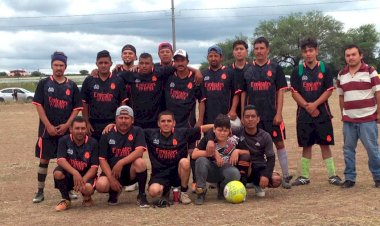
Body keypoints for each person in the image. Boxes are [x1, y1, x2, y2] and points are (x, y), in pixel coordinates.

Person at [240, 37, 292, 189]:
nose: (259, 51)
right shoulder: (248, 70)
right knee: (253, 147)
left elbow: (280, 91)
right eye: (256, 49)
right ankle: (254, 177)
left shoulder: (276, 68)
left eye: (262, 48)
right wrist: (244, 114)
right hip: (253, 118)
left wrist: (279, 113)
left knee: (279, 143)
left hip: (271, 115)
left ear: (268, 50)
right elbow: (243, 92)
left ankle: (286, 176)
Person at [290, 37, 342, 186]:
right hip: (304, 114)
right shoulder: (297, 71)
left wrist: (315, 105)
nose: (308, 54)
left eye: (311, 50)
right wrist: (307, 106)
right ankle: (304, 176)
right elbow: (294, 92)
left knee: (324, 144)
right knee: (307, 145)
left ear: (316, 51)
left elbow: (329, 90)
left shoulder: (324, 68)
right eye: (305, 51)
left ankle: (332, 175)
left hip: (322, 113)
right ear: (302, 53)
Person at [32, 51, 82, 203]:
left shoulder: (72, 85)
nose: (58, 68)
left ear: (65, 67)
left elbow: (76, 108)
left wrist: (68, 125)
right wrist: (48, 125)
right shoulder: (44, 83)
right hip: (47, 130)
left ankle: (69, 189)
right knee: (44, 160)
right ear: (52, 66)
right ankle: (40, 191)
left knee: (68, 160)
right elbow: (39, 105)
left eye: (61, 65)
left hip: (66, 130)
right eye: (56, 65)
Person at [204, 106, 282, 198]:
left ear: (258, 119)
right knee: (244, 157)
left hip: (257, 167)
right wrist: (210, 140)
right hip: (240, 166)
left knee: (276, 180)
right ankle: (241, 187)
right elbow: (213, 128)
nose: (250, 119)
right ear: (242, 119)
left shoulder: (265, 136)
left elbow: (271, 158)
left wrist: (266, 175)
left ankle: (257, 184)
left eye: (253, 116)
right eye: (247, 117)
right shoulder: (237, 131)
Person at [144, 111, 213, 205]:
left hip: (178, 173)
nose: (166, 123)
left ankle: (183, 192)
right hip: (159, 175)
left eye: (169, 121)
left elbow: (202, 128)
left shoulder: (182, 133)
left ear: (174, 123)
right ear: (158, 123)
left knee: (185, 162)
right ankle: (165, 190)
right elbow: (132, 131)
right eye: (163, 121)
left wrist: (222, 126)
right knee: (153, 192)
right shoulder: (150, 134)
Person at [337, 44, 380, 188]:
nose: (351, 57)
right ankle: (350, 178)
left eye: (353, 54)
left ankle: (378, 177)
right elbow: (341, 96)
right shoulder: (341, 74)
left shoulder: (370, 71)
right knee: (348, 150)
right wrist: (343, 112)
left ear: (361, 55)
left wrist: (379, 112)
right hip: (349, 120)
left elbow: (378, 93)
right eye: (348, 55)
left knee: (372, 149)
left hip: (368, 118)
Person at [96, 105, 149, 207]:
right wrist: (111, 179)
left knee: (140, 162)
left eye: (127, 118)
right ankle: (114, 191)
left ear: (132, 120)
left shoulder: (137, 131)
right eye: (120, 118)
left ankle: (141, 195)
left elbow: (139, 152)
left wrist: (121, 162)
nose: (123, 121)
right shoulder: (106, 133)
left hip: (130, 172)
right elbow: (102, 159)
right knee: (101, 185)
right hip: (113, 172)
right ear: (116, 119)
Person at [192, 114, 243, 205]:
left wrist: (238, 151)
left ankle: (222, 190)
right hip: (211, 171)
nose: (222, 133)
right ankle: (201, 191)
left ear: (229, 130)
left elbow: (248, 151)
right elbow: (194, 154)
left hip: (226, 170)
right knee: (201, 160)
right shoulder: (208, 140)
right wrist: (213, 152)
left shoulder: (234, 139)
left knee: (235, 173)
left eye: (225, 131)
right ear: (214, 129)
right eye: (219, 130)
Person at [53, 116, 98, 211]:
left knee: (88, 188)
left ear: (86, 129)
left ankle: (87, 198)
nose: (80, 131)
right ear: (70, 129)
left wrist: (82, 180)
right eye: (77, 128)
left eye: (83, 128)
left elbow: (94, 167)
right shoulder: (63, 140)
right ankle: (66, 199)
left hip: (85, 175)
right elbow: (60, 160)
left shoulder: (93, 143)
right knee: (58, 173)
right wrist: (75, 173)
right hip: (70, 174)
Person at [81, 50, 128, 141]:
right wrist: (86, 122)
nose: (103, 65)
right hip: (93, 124)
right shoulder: (89, 80)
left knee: (112, 153)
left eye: (106, 63)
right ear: (96, 64)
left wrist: (119, 123)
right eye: (100, 63)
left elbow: (123, 104)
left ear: (111, 63)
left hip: (113, 123)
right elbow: (84, 103)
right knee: (94, 152)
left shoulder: (118, 80)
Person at [202, 45, 239, 124]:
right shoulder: (204, 74)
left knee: (225, 135)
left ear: (221, 57)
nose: (213, 58)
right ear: (207, 58)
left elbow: (236, 93)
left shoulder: (229, 72)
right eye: (210, 56)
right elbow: (201, 99)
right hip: (208, 117)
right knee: (210, 136)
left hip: (225, 115)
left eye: (216, 56)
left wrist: (233, 110)